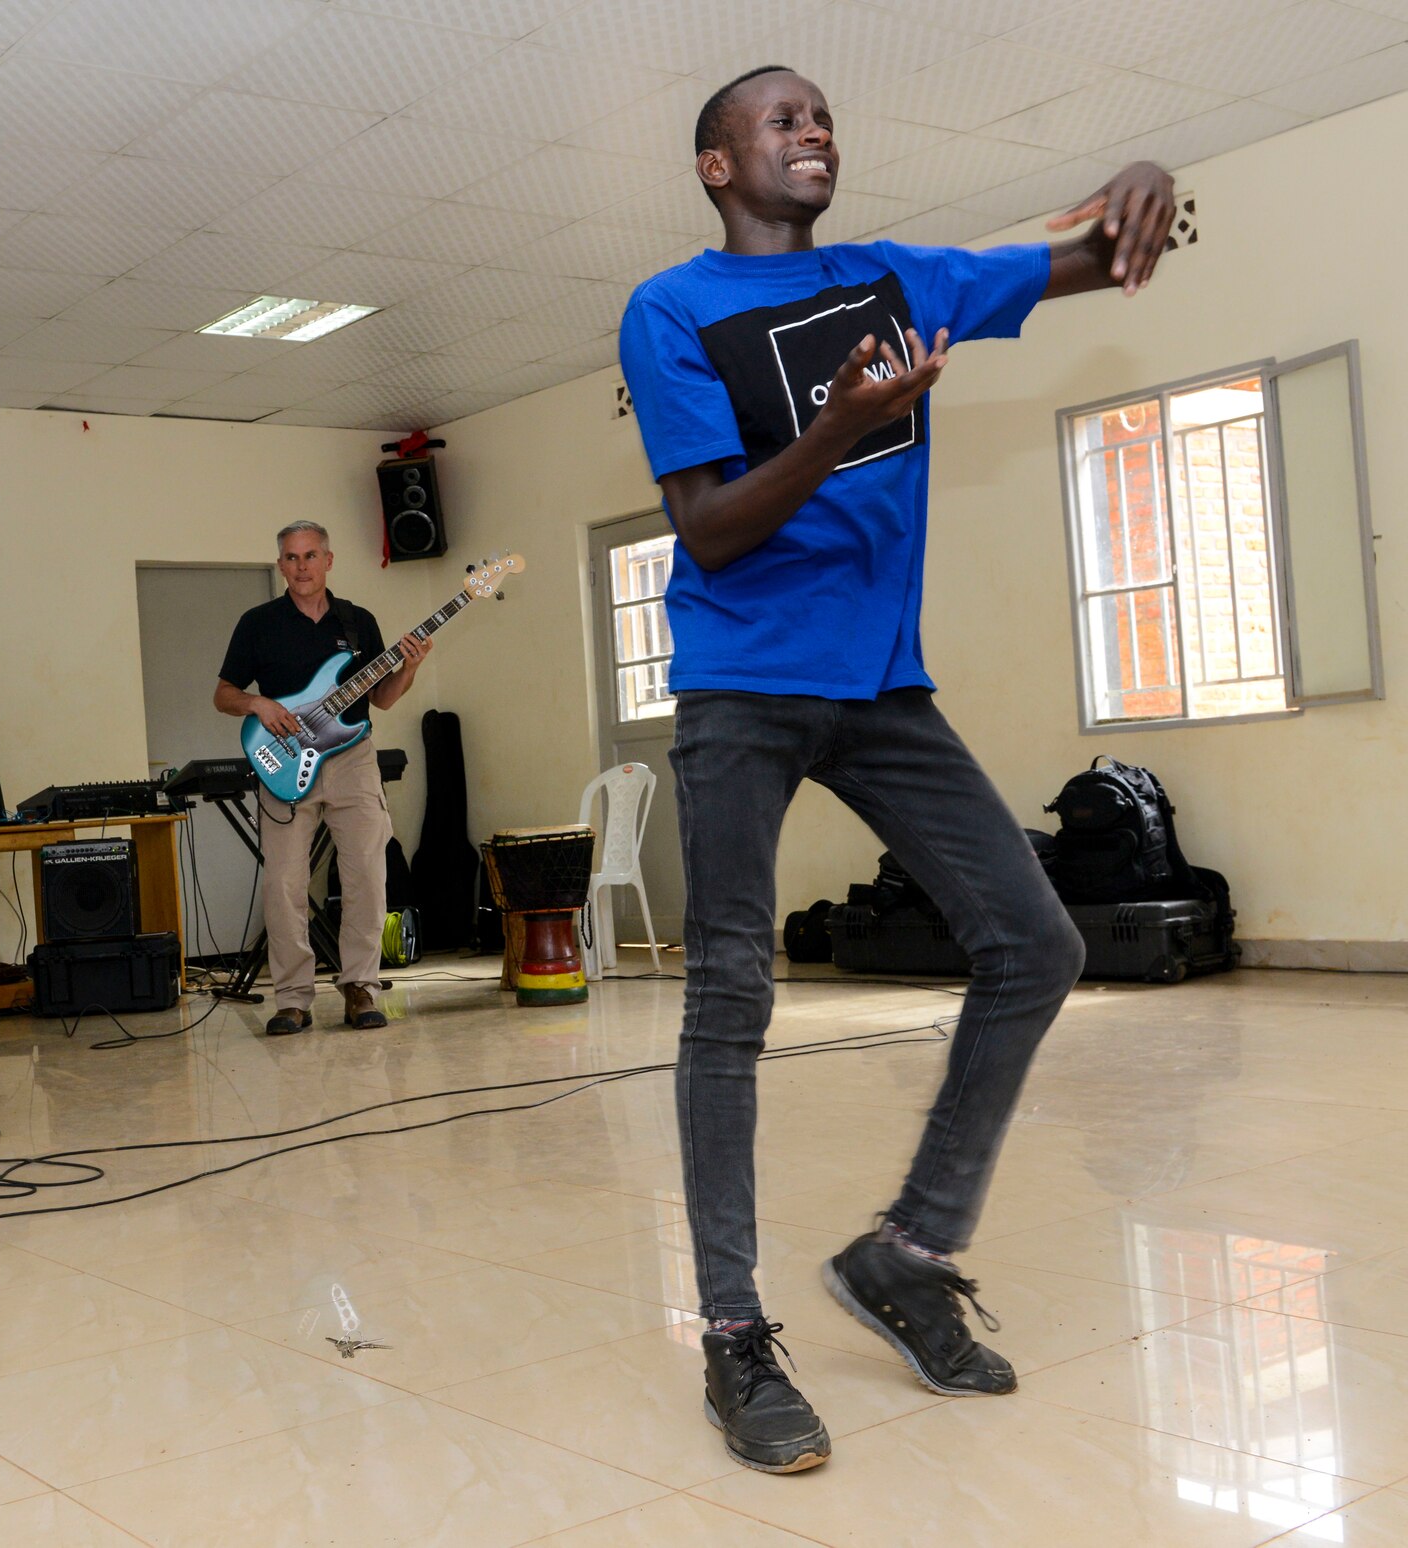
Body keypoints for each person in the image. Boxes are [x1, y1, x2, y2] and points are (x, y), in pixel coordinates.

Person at [616, 64, 1174, 1473]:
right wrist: (835, 429)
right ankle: (735, 1339)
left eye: (822, 116)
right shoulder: (671, 311)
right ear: (714, 164)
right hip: (741, 684)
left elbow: (1094, 250)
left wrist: (1143, 196)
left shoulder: (896, 280)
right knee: (732, 987)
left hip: (881, 690)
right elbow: (715, 530)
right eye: (780, 119)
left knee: (1035, 944)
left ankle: (909, 1252)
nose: (814, 130)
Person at [215, 520, 429, 1034]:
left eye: (310, 556)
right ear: (280, 565)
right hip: (283, 763)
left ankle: (361, 986)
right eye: (291, 558)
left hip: (353, 761)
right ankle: (292, 998)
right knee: (284, 884)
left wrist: (410, 668)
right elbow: (223, 693)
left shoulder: (358, 623)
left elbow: (381, 698)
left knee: (367, 877)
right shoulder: (258, 622)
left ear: (329, 561)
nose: (301, 566)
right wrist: (257, 704)